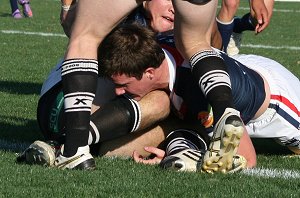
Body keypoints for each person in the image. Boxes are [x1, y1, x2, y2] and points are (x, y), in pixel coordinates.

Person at [56, 0, 270, 172]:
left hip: (268, 92)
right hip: (218, 80)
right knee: (196, 43)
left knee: (85, 36)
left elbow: (248, 159)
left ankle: (74, 148)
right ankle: (225, 110)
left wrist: (67, 7)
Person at [96, 24, 300, 170]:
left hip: (278, 101)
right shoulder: (155, 45)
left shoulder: (200, 92)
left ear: (150, 72)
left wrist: (188, 157)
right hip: (241, 64)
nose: (118, 92)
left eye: (123, 85)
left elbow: (246, 159)